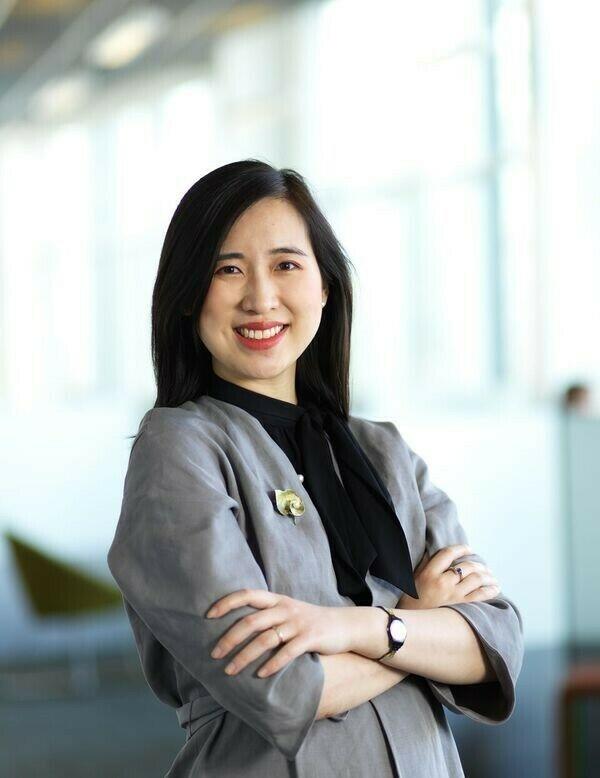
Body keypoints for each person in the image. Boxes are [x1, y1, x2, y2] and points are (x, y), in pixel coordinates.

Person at [107, 159, 524, 777]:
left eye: (286, 265)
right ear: (189, 293)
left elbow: (496, 644)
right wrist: (411, 626)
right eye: (228, 269)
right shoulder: (180, 448)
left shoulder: (385, 452)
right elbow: (279, 687)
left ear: (323, 287)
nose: (260, 297)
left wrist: (346, 629)